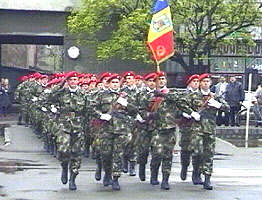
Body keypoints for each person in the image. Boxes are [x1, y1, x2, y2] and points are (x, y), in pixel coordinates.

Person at [46, 71, 90, 190]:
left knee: (76, 153)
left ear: (78, 81)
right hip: (63, 125)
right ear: (67, 81)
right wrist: (61, 84)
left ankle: (73, 178)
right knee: (63, 149)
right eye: (70, 80)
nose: (73, 82)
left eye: (75, 80)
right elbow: (49, 97)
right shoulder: (61, 93)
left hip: (78, 126)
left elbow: (88, 110)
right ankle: (64, 166)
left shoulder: (83, 94)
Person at [179, 74, 203, 185]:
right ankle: (184, 166)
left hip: (198, 127)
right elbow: (176, 108)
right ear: (189, 83)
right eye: (194, 81)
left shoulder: (202, 95)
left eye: (198, 82)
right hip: (186, 127)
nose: (196, 84)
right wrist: (183, 113)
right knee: (185, 150)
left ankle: (196, 173)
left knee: (198, 151)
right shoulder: (184, 95)